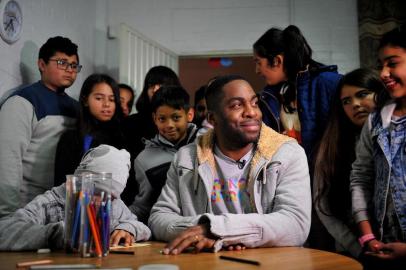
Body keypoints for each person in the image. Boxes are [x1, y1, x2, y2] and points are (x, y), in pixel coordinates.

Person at [149, 75, 311, 255]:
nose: (252, 112)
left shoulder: (287, 153)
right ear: (212, 118)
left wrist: (218, 230)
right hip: (204, 263)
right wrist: (206, 230)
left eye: (254, 103)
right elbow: (158, 219)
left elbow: (296, 225)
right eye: (237, 105)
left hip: (270, 264)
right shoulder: (187, 158)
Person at [253, 25, 342, 249]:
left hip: (328, 182)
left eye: (259, 61)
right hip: (291, 184)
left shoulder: (329, 83)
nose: (257, 70)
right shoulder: (269, 96)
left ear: (277, 60)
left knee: (330, 247)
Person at [0, 144, 151, 251]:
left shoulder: (114, 204)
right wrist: (55, 234)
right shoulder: (49, 204)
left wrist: (128, 229)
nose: (100, 202)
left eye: (109, 197)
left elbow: (141, 226)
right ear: (79, 181)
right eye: (95, 192)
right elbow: (5, 231)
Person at [0, 36, 80, 217]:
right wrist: (7, 216)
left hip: (63, 210)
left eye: (74, 65)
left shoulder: (77, 108)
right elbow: (8, 160)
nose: (69, 70)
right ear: (42, 65)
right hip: (26, 208)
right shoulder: (22, 101)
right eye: (62, 63)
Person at [313, 68, 386, 259]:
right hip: (352, 250)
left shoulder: (395, 136)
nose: (354, 104)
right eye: (346, 101)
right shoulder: (332, 147)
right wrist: (359, 248)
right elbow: (323, 206)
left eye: (362, 95)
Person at [350, 25, 406, 269]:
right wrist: (367, 236)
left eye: (392, 63)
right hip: (383, 249)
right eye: (381, 64)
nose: (383, 73)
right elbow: (361, 176)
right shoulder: (377, 120)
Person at [129, 86, 197, 224]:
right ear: (154, 118)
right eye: (162, 119)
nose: (169, 125)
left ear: (189, 114)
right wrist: (122, 221)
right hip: (170, 227)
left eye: (176, 117)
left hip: (208, 223)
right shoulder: (144, 160)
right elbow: (144, 206)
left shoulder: (207, 144)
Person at [121, 66, 181, 205]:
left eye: (161, 85)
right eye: (151, 85)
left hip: (173, 197)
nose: (155, 89)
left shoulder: (184, 124)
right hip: (135, 194)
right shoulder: (131, 123)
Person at [54, 74, 125, 187]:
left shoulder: (124, 135)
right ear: (85, 100)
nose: (106, 104)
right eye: (99, 98)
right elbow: (61, 183)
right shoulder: (71, 138)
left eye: (112, 99)